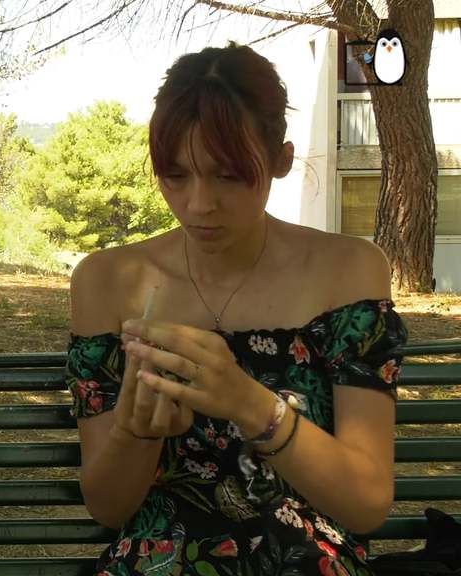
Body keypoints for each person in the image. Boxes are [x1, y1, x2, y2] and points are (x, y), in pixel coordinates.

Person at [67, 42, 407, 576]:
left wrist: (249, 403)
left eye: (228, 175)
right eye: (175, 175)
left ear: (281, 160)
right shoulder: (106, 281)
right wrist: (138, 432)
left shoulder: (347, 271)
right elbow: (109, 509)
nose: (199, 204)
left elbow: (365, 505)